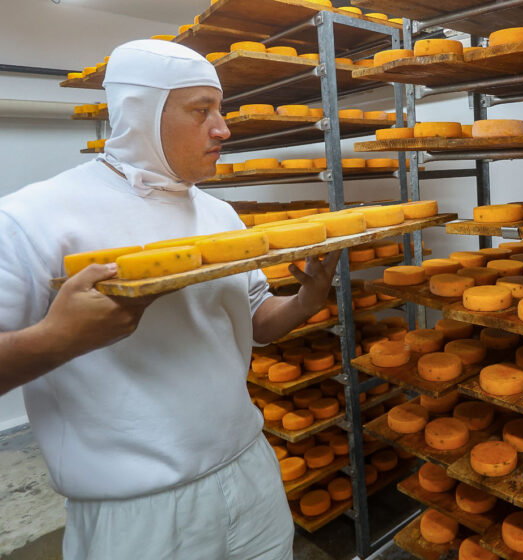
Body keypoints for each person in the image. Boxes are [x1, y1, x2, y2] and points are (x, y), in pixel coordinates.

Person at [0, 40, 339, 559]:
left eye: (219, 110)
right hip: (138, 511)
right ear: (140, 114)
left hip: (251, 471)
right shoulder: (34, 220)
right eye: (201, 111)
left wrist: (305, 300)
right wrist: (57, 338)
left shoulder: (219, 214)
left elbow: (257, 322)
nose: (222, 129)